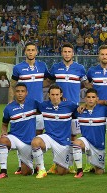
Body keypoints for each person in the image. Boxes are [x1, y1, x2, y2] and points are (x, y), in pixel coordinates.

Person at [8, 42, 50, 175]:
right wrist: (10, 101)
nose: (30, 52)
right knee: (22, 137)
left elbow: (49, 81)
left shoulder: (42, 66)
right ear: (25, 52)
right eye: (28, 50)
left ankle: (38, 165)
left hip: (38, 109)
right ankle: (22, 165)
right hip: (23, 109)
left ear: (36, 52)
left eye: (33, 50)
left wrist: (37, 84)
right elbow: (12, 85)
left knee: (36, 138)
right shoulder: (18, 68)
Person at [47, 42, 87, 174]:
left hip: (74, 108)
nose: (67, 54)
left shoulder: (80, 68)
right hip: (58, 108)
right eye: (65, 52)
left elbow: (85, 85)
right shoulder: (55, 68)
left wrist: (86, 101)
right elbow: (50, 83)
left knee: (73, 136)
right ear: (61, 53)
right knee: (58, 136)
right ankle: (57, 163)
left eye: (69, 52)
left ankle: (72, 164)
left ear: (73, 54)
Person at [31, 85, 78, 178]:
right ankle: (42, 170)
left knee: (62, 172)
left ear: (61, 95)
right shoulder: (43, 105)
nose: (55, 97)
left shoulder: (70, 105)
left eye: (57, 94)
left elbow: (80, 111)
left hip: (63, 142)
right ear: (49, 95)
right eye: (52, 94)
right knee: (35, 142)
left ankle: (57, 165)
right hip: (49, 137)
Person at [0, 83, 38, 179]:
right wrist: (4, 132)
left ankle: (34, 166)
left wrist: (62, 100)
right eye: (17, 91)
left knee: (26, 172)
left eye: (22, 91)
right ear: (14, 93)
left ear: (26, 93)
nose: (20, 93)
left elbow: (49, 108)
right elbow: (4, 124)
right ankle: (3, 171)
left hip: (28, 142)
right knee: (3, 140)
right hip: (15, 138)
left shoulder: (34, 104)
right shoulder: (8, 108)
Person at [72, 88, 107, 178]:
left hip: (98, 146)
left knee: (99, 172)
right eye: (88, 97)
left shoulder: (104, 110)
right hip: (85, 142)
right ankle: (79, 170)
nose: (90, 99)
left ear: (97, 99)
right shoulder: (79, 111)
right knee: (76, 144)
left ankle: (94, 166)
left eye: (93, 97)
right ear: (85, 99)